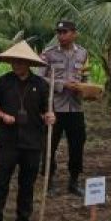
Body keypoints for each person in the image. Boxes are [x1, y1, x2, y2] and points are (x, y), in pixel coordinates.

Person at [0, 42, 55, 221]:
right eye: (13, 61)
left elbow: (46, 111)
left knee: (27, 184)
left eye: (20, 62)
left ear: (28, 63)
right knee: (1, 181)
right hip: (7, 141)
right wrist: (3, 116)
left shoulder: (41, 85)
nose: (16, 65)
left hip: (32, 141)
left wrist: (50, 116)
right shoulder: (2, 82)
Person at [41, 20, 91, 194]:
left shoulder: (83, 54)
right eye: (59, 32)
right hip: (54, 107)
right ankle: (49, 180)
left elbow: (85, 77)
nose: (61, 35)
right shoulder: (49, 54)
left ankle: (74, 180)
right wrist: (62, 84)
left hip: (75, 108)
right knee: (49, 145)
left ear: (74, 33)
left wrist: (86, 89)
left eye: (65, 32)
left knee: (77, 145)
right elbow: (40, 79)